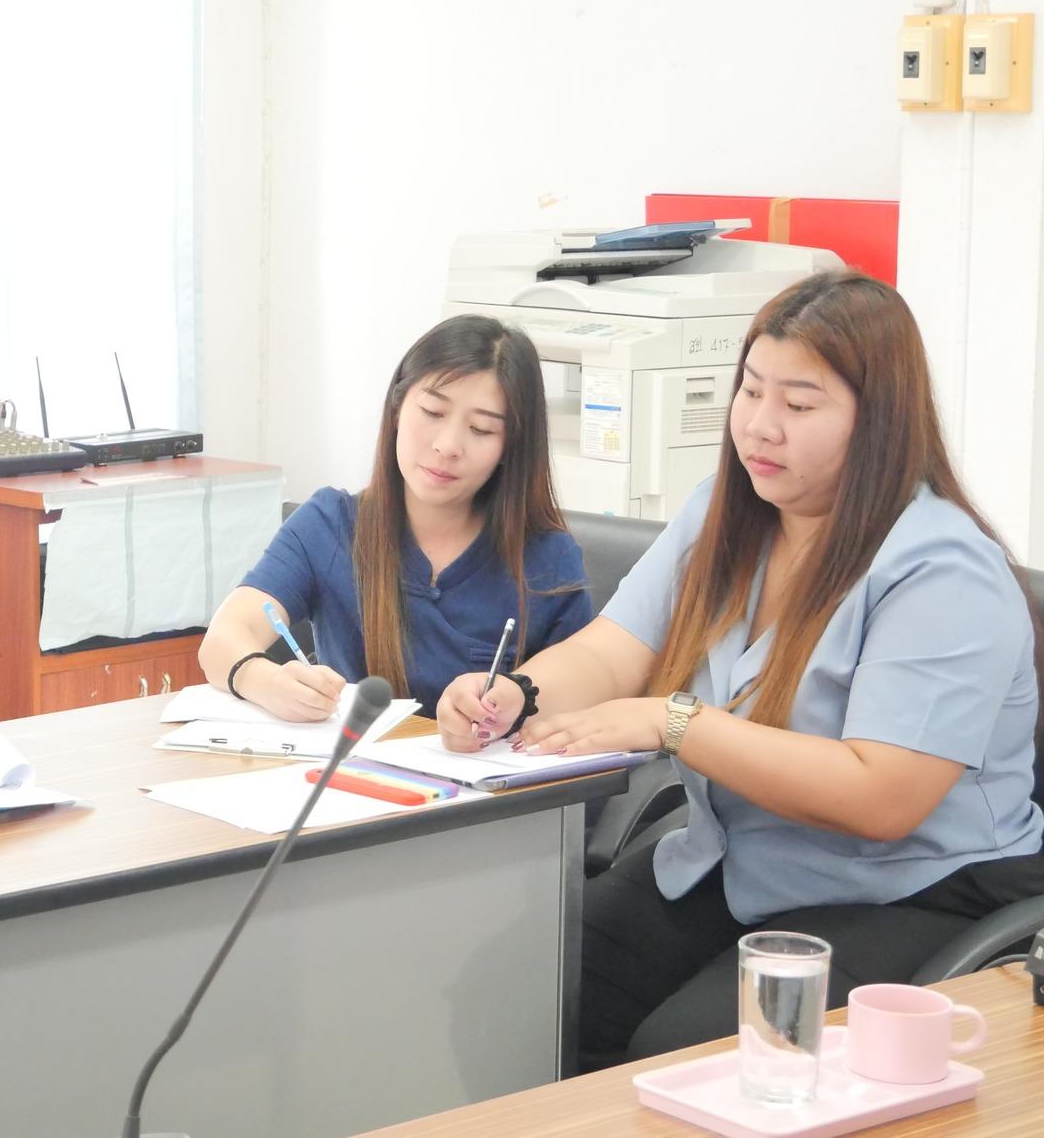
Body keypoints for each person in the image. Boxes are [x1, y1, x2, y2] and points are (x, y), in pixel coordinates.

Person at [435, 271, 1044, 1066]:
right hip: (739, 860)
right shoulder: (726, 511)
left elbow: (882, 796)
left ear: (879, 421)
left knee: (688, 1054)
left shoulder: (943, 570)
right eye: (751, 390)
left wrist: (675, 722)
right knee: (514, 988)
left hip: (911, 888)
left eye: (799, 405)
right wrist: (514, 695)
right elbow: (613, 650)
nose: (760, 425)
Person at [200, 314, 592, 721]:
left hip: (485, 763)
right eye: (433, 412)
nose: (448, 445)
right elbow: (224, 637)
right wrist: (266, 681)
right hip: (349, 759)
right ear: (397, 409)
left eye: (481, 429)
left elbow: (583, 696)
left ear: (511, 446)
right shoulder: (330, 525)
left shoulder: (547, 559)